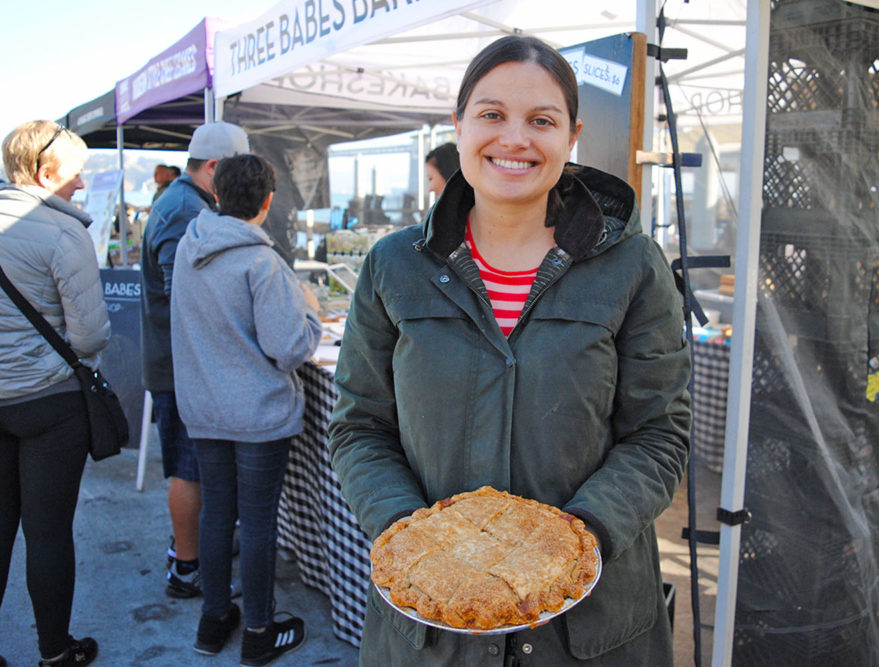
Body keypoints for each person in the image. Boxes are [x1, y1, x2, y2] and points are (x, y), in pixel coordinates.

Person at [330, 35, 691, 665]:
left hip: (590, 631)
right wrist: (418, 541)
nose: (515, 139)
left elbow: (660, 433)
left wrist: (575, 540)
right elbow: (360, 426)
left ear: (571, 135)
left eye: (542, 121)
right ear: (460, 125)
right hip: (431, 627)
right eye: (492, 115)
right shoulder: (394, 266)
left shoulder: (632, 266)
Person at [170, 153, 320, 664]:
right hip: (257, 415)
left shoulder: (191, 247)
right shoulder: (262, 262)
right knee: (256, 524)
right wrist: (310, 312)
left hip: (204, 409)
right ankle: (258, 632)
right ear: (268, 202)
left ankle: (213, 621)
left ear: (215, 193)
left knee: (218, 515)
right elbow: (291, 348)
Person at [0, 120, 110, 666]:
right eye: (77, 174)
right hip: (48, 401)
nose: (82, 186)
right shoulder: (65, 233)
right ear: (45, 174)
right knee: (46, 534)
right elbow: (90, 336)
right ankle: (54, 652)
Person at [140, 121, 249, 599]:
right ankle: (186, 567)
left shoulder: (187, 202)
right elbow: (181, 294)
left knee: (195, 468)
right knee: (188, 469)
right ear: (213, 168)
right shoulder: (184, 210)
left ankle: (192, 549)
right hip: (180, 368)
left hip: (183, 364)